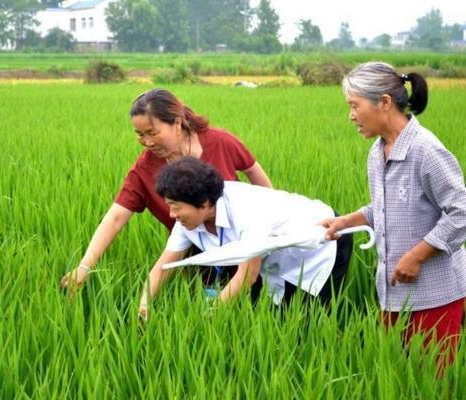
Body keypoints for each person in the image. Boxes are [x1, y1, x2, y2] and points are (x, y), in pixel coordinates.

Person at [322, 62, 466, 366]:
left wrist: (417, 256)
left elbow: (460, 212)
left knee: (433, 382)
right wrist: (346, 221)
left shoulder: (425, 151)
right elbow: (386, 207)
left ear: (384, 103)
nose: (351, 115)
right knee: (398, 377)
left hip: (435, 295)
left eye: (354, 106)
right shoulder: (377, 152)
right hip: (392, 294)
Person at [60, 88, 272, 292]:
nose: (147, 142)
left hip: (245, 248)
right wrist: (84, 266)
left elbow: (256, 176)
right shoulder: (145, 168)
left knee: (258, 305)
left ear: (177, 123)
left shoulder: (220, 142)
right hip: (195, 257)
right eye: (140, 135)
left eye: (152, 133)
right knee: (204, 313)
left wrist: (268, 228)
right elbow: (116, 217)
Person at [138, 157, 353, 320]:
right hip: (276, 251)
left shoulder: (247, 210)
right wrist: (145, 304)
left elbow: (248, 275)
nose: (171, 214)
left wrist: (206, 317)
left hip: (322, 239)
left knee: (311, 319)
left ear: (203, 203)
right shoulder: (187, 221)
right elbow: (164, 267)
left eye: (176, 207)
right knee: (271, 315)